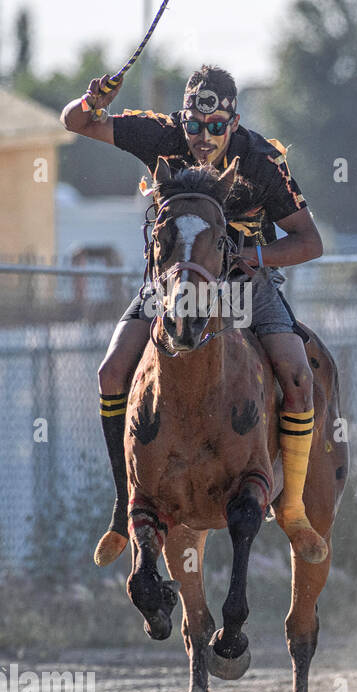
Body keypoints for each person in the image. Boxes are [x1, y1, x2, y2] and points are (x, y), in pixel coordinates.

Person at [60, 64, 329, 566]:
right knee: (112, 370)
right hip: (171, 284)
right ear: (182, 121)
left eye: (216, 127)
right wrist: (95, 100)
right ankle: (123, 508)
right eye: (194, 127)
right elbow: (75, 122)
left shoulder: (263, 161)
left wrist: (259, 258)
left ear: (234, 121)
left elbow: (311, 241)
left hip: (245, 280)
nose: (203, 138)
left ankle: (290, 507)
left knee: (297, 374)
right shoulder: (158, 134)